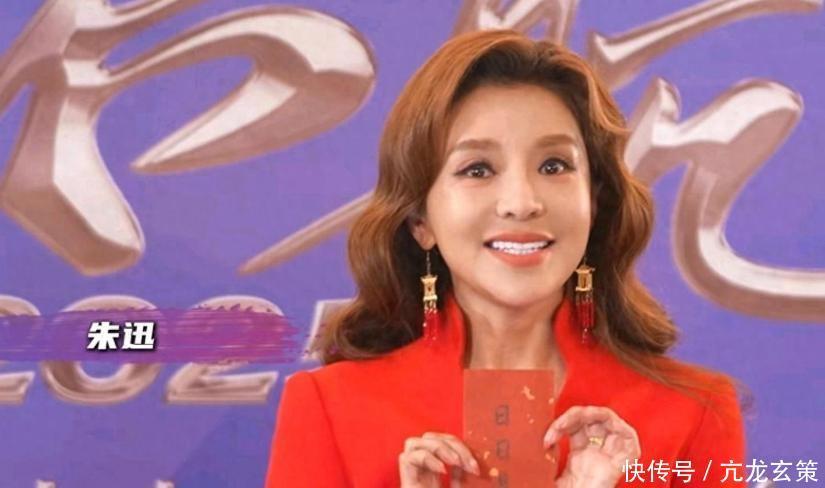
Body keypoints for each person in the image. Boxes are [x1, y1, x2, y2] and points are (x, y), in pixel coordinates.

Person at [265, 29, 748, 487]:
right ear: (420, 221)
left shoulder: (694, 411)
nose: (521, 202)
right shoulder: (331, 407)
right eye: (477, 169)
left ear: (595, 203)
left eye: (554, 165)